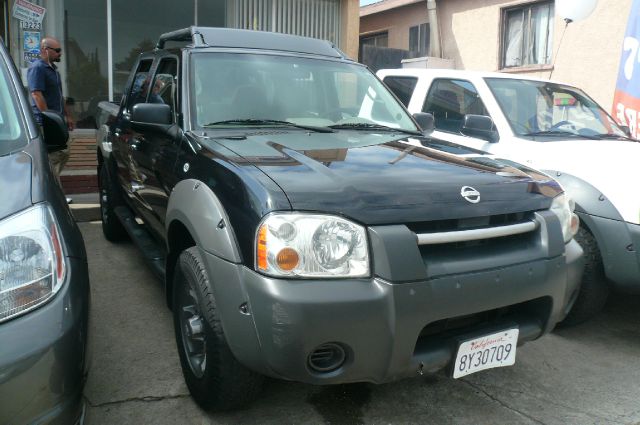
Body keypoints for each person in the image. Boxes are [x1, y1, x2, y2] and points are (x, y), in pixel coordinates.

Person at [27, 36, 75, 192]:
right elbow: (36, 94)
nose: (60, 54)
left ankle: (53, 190)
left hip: (57, 120)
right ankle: (51, 192)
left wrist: (67, 115)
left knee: (63, 152)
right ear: (45, 50)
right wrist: (49, 118)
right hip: (45, 123)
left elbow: (59, 96)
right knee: (54, 156)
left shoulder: (53, 70)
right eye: (57, 51)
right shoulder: (37, 68)